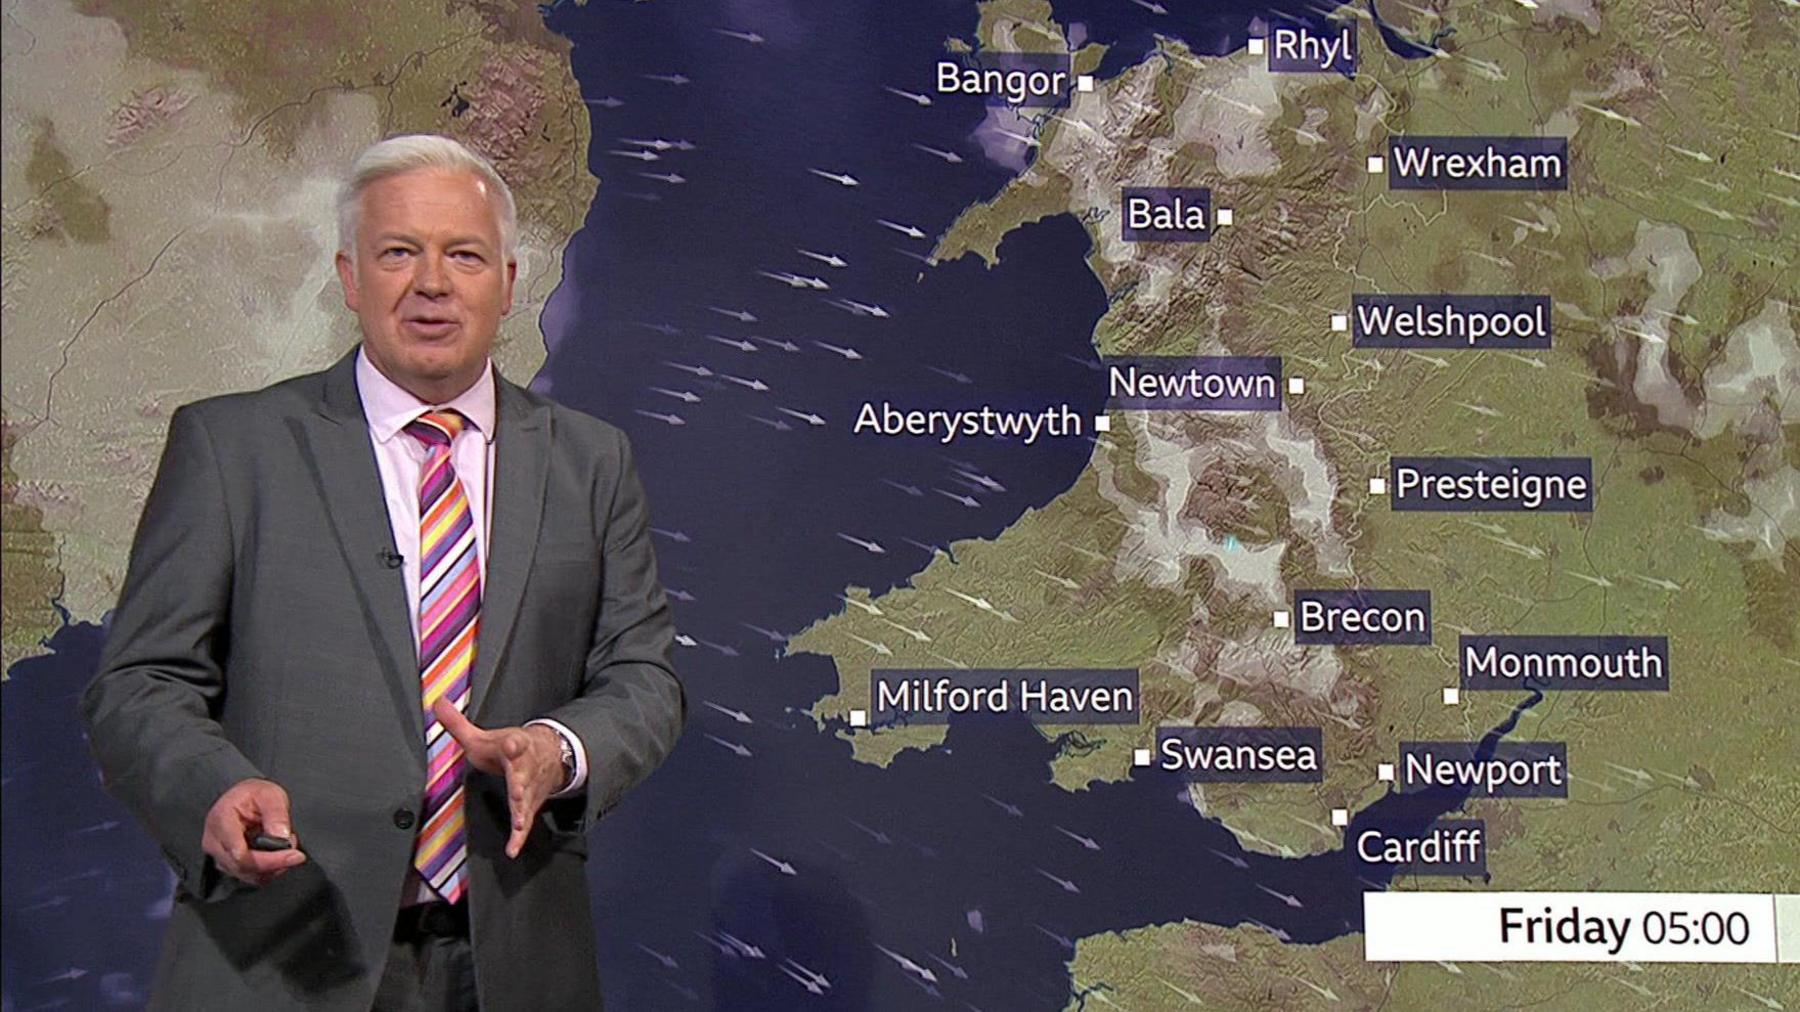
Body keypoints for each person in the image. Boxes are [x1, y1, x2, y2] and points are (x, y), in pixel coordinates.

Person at [80, 133, 687, 1011]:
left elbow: (644, 679)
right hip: (280, 958)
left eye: (464, 255)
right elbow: (139, 684)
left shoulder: (591, 464)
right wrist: (214, 792)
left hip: (514, 965)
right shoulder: (233, 447)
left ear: (510, 283)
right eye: (399, 252)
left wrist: (558, 749)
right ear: (351, 276)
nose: (432, 282)